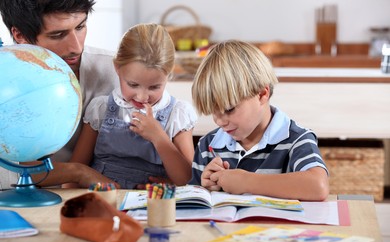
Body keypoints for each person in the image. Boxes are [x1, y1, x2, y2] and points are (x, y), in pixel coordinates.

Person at [0, 0, 120, 189]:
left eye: (80, 26)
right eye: (58, 35)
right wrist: (78, 172)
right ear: (20, 35)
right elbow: (7, 172)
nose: (76, 47)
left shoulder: (116, 71)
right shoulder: (5, 82)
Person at [189, 40, 329, 201]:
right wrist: (205, 188)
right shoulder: (208, 146)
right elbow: (194, 204)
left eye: (229, 109)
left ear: (262, 94)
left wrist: (246, 181)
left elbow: (318, 186)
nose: (220, 122)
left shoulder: (296, 140)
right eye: (213, 112)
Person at [66, 23, 197, 189]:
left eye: (154, 87)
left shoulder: (177, 114)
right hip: (104, 200)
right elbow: (75, 171)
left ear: (169, 75)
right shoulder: (101, 109)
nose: (142, 97)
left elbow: (187, 179)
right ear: (117, 68)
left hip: (150, 204)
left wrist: (159, 137)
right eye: (133, 85)